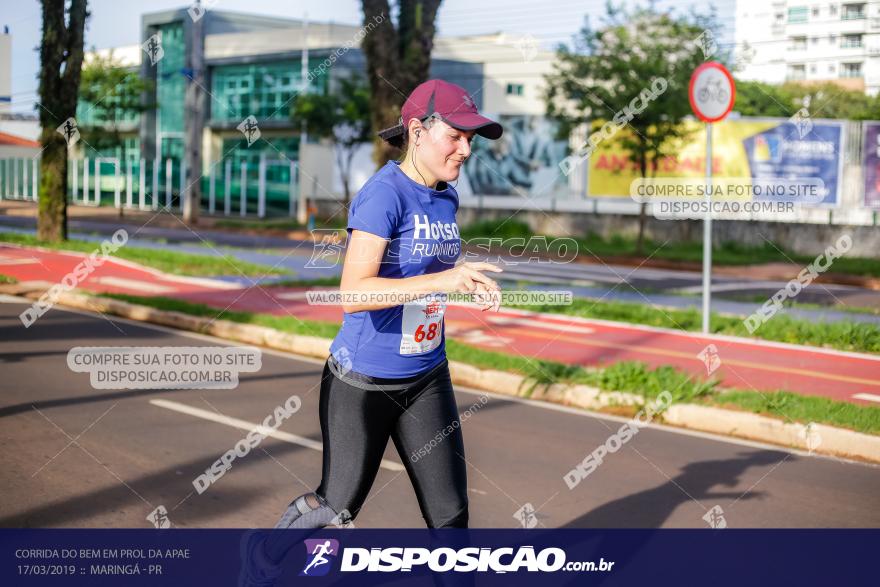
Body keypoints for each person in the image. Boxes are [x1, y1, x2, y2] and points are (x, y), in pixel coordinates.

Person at [239, 79, 505, 585]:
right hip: (363, 382)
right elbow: (354, 291)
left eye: (472, 139)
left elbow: (418, 270)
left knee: (451, 518)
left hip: (427, 375)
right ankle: (266, 552)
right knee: (336, 508)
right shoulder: (382, 194)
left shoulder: (445, 194)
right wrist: (444, 278)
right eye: (456, 137)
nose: (467, 149)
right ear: (417, 131)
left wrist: (462, 279)